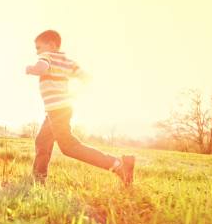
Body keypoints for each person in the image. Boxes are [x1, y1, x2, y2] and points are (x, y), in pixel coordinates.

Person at [25, 30, 135, 186]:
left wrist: (32, 69)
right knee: (42, 141)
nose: (37, 52)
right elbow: (86, 77)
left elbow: (41, 67)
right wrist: (73, 95)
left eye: (38, 48)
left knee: (69, 147)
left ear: (51, 45)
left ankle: (119, 165)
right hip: (60, 109)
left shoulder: (47, 56)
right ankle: (38, 178)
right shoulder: (68, 62)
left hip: (57, 110)